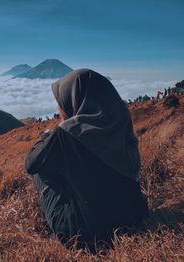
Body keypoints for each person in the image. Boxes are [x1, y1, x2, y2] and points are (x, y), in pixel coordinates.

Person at [25, 69, 149, 250]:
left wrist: (46, 138)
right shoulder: (120, 119)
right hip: (133, 216)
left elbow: (30, 164)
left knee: (41, 169)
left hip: (90, 236)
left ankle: (61, 229)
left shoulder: (68, 134)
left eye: (61, 101)